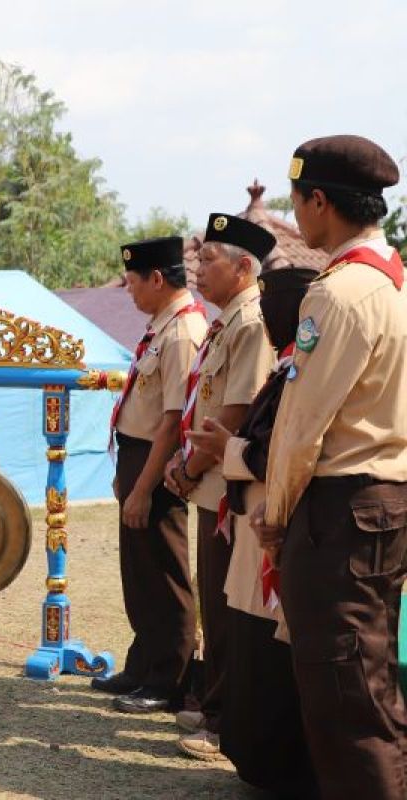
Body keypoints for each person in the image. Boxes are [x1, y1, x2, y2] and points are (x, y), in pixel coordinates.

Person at [251, 135, 407, 799]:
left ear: (319, 202)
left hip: (340, 511)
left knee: (347, 701)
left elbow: (300, 427)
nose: (298, 214)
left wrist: (276, 514)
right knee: (365, 688)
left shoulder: (339, 296)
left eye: (298, 199)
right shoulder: (393, 282)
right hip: (380, 504)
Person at [187, 265, 320, 797]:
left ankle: (272, 763)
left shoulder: (301, 375)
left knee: (269, 653)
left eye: (273, 308)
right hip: (252, 527)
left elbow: (282, 452)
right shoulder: (285, 372)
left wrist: (229, 450)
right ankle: (251, 754)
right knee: (247, 644)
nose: (264, 318)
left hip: (274, 528)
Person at [161, 214, 276, 758]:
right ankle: (215, 704)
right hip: (211, 483)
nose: (197, 268)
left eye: (209, 260)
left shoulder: (251, 323)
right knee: (216, 602)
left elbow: (234, 414)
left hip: (227, 488)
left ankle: (223, 718)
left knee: (229, 610)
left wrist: (189, 468)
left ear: (244, 267)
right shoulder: (227, 321)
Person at [94, 237, 207, 713]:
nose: (129, 293)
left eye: (134, 283)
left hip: (157, 462)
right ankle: (144, 666)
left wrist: (144, 486)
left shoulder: (183, 332)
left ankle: (169, 679)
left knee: (164, 572)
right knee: (139, 572)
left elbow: (172, 421)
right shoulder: (162, 326)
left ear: (157, 279)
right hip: (137, 454)